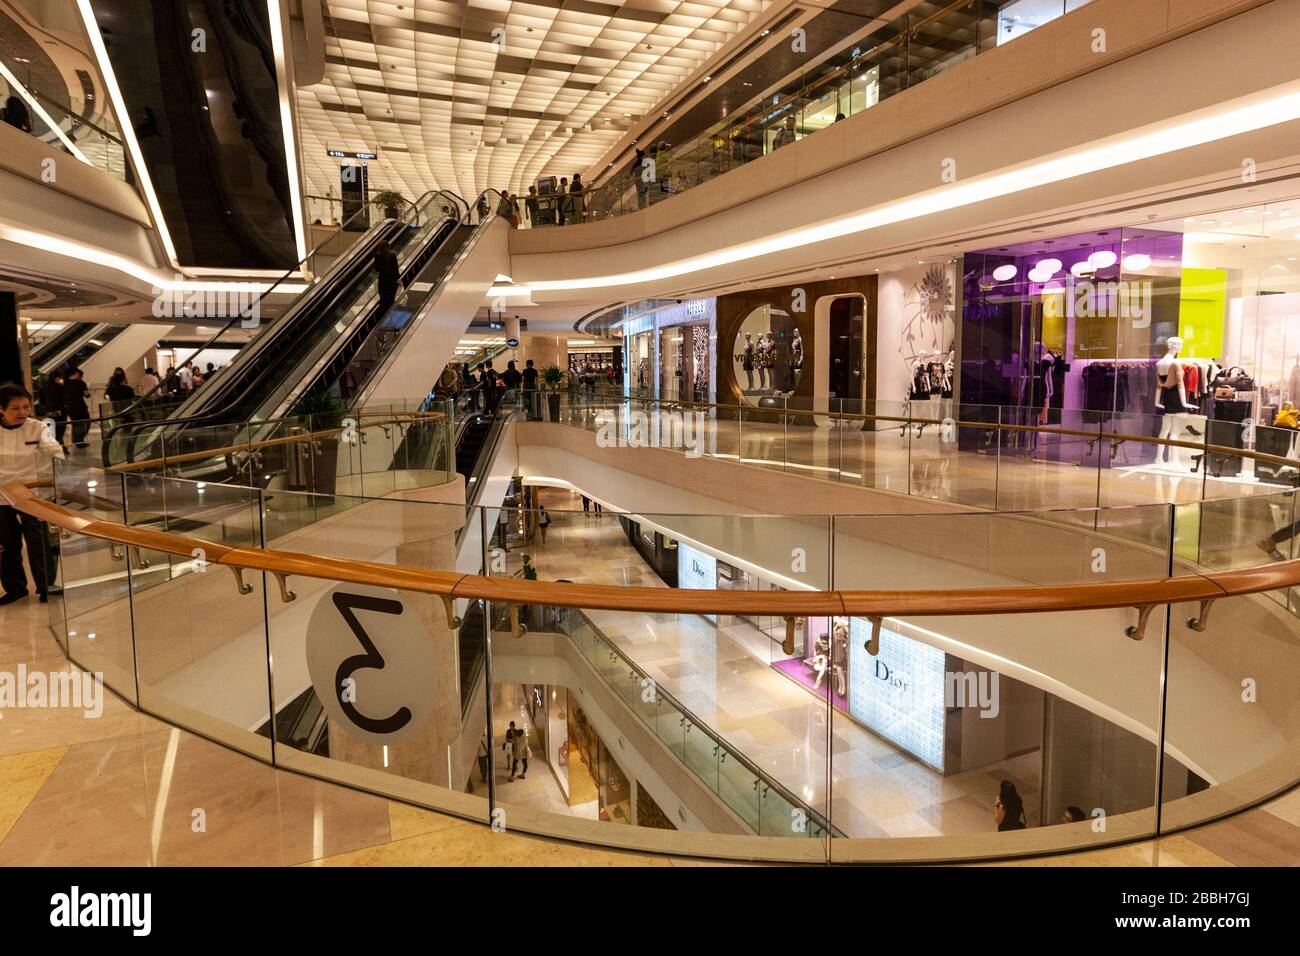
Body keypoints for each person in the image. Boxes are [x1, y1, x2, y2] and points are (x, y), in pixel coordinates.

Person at [0, 383, 64, 604]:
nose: (23, 413)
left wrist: (61, 471)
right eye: (15, 408)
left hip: (32, 494)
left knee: (39, 541)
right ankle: (15, 588)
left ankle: (47, 586)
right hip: (1, 496)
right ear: (1, 409)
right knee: (8, 544)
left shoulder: (37, 427)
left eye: (26, 407)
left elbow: (56, 452)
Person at [62, 367, 91, 448]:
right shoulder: (80, 383)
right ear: (75, 373)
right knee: (86, 422)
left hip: (69, 407)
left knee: (75, 423)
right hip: (80, 406)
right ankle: (79, 440)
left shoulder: (65, 384)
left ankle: (76, 440)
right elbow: (87, 395)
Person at [38, 372, 67, 450]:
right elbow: (63, 400)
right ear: (57, 379)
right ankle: (60, 447)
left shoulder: (43, 388)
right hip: (59, 412)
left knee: (51, 430)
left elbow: (41, 401)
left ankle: (55, 446)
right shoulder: (60, 388)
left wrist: (46, 410)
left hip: (48, 412)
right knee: (59, 430)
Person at [373, 238, 400, 312]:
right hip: (392, 280)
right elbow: (395, 268)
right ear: (388, 246)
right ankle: (390, 313)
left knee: (383, 298)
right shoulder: (392, 255)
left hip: (383, 280)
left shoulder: (378, 256)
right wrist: (398, 278)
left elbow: (376, 269)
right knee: (391, 298)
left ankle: (383, 314)